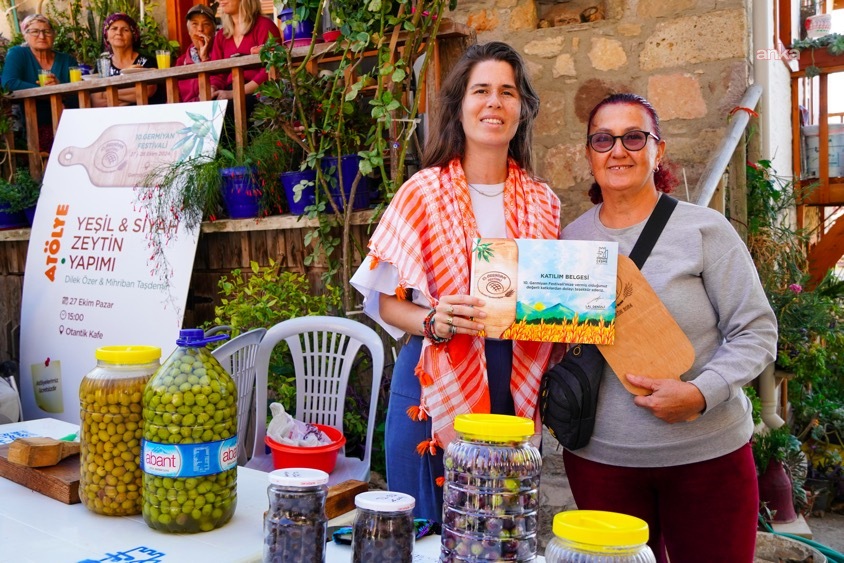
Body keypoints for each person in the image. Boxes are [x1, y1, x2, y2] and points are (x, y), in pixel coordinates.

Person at [561, 93, 778, 562]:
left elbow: (757, 330)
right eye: (603, 139)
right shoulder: (569, 240)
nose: (618, 151)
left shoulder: (704, 230)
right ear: (589, 154)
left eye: (634, 137)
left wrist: (701, 393)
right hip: (601, 461)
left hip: (707, 457)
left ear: (658, 150)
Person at [350, 42, 561, 522]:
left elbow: (553, 296)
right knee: (426, 530)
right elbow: (385, 302)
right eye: (480, 90)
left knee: (497, 532)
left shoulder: (544, 202)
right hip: (432, 380)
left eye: (507, 92)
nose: (494, 103)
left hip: (515, 384)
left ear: (523, 108)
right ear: (459, 106)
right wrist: (433, 319)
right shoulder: (421, 194)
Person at [1, 14, 78, 150]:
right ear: (25, 35)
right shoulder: (18, 54)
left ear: (54, 35)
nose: (41, 36)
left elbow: (77, 93)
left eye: (46, 31)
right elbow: (9, 83)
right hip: (35, 125)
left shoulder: (67, 60)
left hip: (69, 121)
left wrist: (59, 86)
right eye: (35, 31)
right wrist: (48, 92)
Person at [209, 0, 280, 101]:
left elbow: (270, 70)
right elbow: (216, 74)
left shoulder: (265, 26)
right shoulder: (221, 35)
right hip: (228, 93)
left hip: (259, 93)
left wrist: (235, 93)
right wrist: (213, 88)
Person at [92, 13, 160, 107]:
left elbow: (148, 89)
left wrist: (105, 94)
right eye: (114, 28)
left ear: (133, 36)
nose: (119, 33)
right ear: (106, 36)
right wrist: (133, 93)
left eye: (125, 30)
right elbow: (96, 101)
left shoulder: (147, 62)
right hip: (112, 116)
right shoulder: (103, 65)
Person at [176, 4, 217, 103]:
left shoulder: (220, 54)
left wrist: (205, 57)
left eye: (206, 24)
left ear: (213, 31)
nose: (200, 29)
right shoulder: (181, 62)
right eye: (194, 24)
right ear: (189, 31)